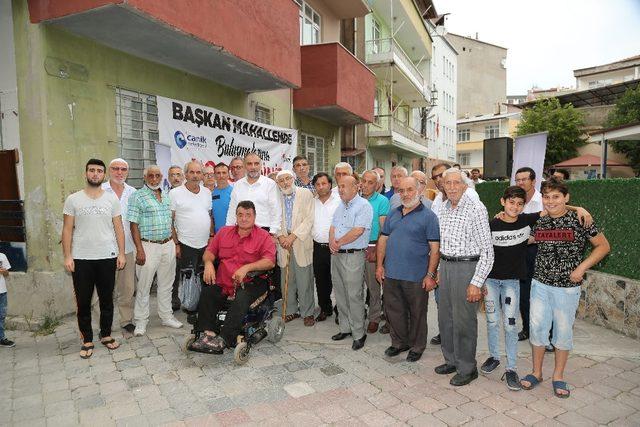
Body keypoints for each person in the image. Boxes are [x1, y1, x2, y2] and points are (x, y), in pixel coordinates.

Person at [520, 177, 609, 398]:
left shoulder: (580, 219)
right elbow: (528, 239)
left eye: (556, 197)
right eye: (546, 197)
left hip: (567, 288)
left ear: (566, 197)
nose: (551, 202)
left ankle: (558, 376)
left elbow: (603, 246)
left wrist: (581, 268)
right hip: (539, 284)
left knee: (562, 332)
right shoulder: (540, 221)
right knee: (538, 330)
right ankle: (536, 372)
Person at [189, 201, 276, 354]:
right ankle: (207, 334)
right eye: (240, 215)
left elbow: (269, 261)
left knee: (242, 297)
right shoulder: (224, 232)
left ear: (255, 217)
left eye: (248, 215)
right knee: (209, 293)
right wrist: (209, 263)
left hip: (252, 281)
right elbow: (210, 252)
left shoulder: (263, 236)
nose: (244, 218)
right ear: (236, 216)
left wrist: (247, 267)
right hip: (225, 281)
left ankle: (225, 338)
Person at [435, 168, 494, 386]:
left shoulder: (476, 209)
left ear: (464, 186)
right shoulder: (443, 208)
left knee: (464, 322)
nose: (451, 187)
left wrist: (476, 283)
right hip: (447, 266)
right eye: (447, 183)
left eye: (455, 183)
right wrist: (440, 270)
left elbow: (488, 251)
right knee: (446, 319)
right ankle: (451, 360)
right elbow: (442, 243)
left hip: (467, 268)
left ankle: (468, 368)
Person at [62, 159, 126, 358]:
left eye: (99, 171)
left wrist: (122, 253)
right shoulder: (73, 199)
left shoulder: (111, 199)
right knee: (83, 302)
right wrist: (67, 256)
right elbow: (66, 230)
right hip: (81, 259)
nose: (95, 174)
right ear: (86, 173)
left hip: (107, 257)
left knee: (107, 299)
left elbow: (119, 228)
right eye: (92, 170)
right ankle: (87, 338)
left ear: (104, 175)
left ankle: (106, 335)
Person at [376, 177, 440, 362]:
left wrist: (430, 275)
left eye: (410, 190)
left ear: (420, 190)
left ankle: (417, 346)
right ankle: (399, 343)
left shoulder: (429, 216)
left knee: (417, 313)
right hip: (391, 273)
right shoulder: (393, 214)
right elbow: (383, 240)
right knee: (394, 311)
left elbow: (435, 249)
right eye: (401, 191)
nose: (405, 194)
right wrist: (380, 266)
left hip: (416, 276)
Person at [128, 165, 183, 336]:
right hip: (148, 246)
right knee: (144, 286)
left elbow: (171, 222)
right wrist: (140, 249)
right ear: (145, 178)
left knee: (166, 284)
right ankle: (141, 321)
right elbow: (133, 224)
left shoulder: (166, 196)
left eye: (157, 175)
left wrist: (176, 243)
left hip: (168, 245)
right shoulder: (137, 196)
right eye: (150, 176)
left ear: (161, 178)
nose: (154, 179)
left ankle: (166, 316)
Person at [329, 176, 373, 350]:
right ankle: (345, 328)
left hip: (353, 256)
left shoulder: (364, 206)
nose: (340, 189)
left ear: (356, 187)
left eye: (344, 186)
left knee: (354, 295)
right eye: (339, 186)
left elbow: (357, 231)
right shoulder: (340, 206)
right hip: (337, 255)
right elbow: (332, 227)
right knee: (339, 293)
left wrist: (337, 243)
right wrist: (332, 241)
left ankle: (359, 333)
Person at [170, 161, 212, 311]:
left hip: (205, 243)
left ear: (202, 175)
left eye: (198, 172)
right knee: (187, 277)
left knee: (203, 276)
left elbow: (209, 215)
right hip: (185, 243)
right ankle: (187, 305)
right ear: (185, 174)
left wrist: (211, 236)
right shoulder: (175, 193)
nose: (195, 176)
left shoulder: (207, 192)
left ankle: (201, 304)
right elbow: (170, 220)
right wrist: (176, 244)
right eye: (191, 172)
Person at [274, 170, 315, 325]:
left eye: (288, 179)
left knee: (305, 279)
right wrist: (281, 236)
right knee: (287, 279)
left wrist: (293, 236)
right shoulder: (275, 196)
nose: (285, 183)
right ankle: (290, 310)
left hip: (300, 241)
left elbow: (310, 218)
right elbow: (273, 218)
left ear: (293, 178)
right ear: (278, 183)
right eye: (281, 180)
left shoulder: (305, 194)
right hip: (283, 242)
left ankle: (307, 312)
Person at [102, 158, 137, 334]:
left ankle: (126, 320)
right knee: (103, 288)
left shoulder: (133, 192)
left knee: (128, 287)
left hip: (128, 248)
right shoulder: (99, 191)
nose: (119, 172)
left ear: (127, 172)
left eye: (123, 169)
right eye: (116, 168)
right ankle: (103, 324)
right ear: (109, 170)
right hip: (103, 248)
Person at [360, 170, 390, 334]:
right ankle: (358, 315)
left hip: (372, 247)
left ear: (377, 185)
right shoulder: (354, 199)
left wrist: (377, 250)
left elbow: (383, 228)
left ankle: (374, 318)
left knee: (373, 287)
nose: (365, 184)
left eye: (370, 182)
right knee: (356, 286)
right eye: (363, 180)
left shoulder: (382, 201)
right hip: (356, 247)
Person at [226, 153, 281, 235]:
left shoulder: (270, 184)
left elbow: (276, 211)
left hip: (264, 233)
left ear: (261, 165)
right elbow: (232, 210)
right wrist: (228, 231)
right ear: (244, 166)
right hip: (241, 232)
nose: (253, 167)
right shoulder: (238, 185)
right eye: (249, 164)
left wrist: (273, 233)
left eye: (256, 163)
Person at [312, 173, 341, 322]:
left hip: (335, 247)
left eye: (324, 183)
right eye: (318, 184)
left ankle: (340, 310)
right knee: (321, 280)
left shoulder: (339, 201)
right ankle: (325, 308)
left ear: (330, 184)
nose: (321, 186)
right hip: (317, 247)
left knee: (338, 280)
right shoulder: (312, 202)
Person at [212, 163, 233, 233]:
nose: (221, 176)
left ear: (228, 174)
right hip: (216, 234)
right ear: (214, 176)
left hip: (232, 234)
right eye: (218, 173)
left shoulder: (234, 192)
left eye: (224, 173)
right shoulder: (211, 194)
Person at [0, 251, 14, 348]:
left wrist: (4, 271)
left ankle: (1, 338)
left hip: (2, 291)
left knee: (2, 315)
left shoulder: (2, 256)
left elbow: (7, 274)